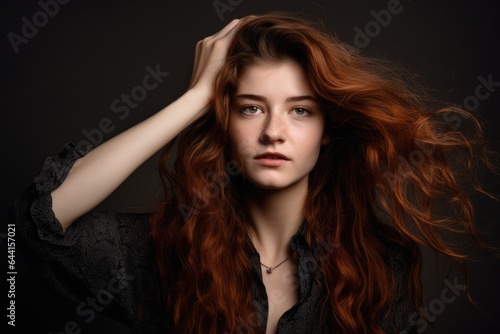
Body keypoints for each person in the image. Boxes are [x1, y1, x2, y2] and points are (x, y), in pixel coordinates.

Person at [12, 13, 498, 334]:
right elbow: (30, 227)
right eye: (250, 109)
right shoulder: (165, 250)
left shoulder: (378, 267)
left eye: (301, 111)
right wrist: (194, 99)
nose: (273, 132)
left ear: (328, 130)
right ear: (224, 121)